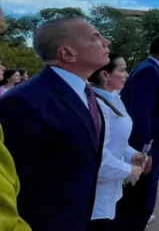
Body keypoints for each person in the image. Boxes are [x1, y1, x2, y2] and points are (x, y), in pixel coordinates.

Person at [0, 18, 110, 231]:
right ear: (67, 53)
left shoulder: (85, 94)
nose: (107, 42)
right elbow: (15, 182)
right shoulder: (23, 101)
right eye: (96, 37)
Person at [113, 36, 159, 231]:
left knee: (142, 205)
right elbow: (141, 114)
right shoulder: (148, 71)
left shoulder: (153, 70)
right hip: (147, 153)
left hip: (151, 151)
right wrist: (143, 152)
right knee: (140, 206)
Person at [88, 53, 144, 231]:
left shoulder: (113, 99)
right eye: (122, 70)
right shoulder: (96, 104)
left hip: (112, 185)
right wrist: (128, 170)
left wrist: (132, 154)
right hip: (98, 190)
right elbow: (97, 151)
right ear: (105, 75)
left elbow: (116, 140)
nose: (127, 75)